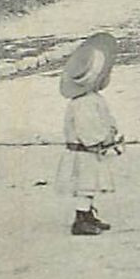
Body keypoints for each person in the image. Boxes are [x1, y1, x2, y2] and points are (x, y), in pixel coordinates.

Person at [55, 33, 124, 236]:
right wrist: (102, 139)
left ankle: (88, 215)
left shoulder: (91, 98)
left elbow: (103, 117)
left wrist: (112, 129)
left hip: (89, 151)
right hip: (84, 152)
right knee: (85, 185)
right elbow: (88, 128)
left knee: (91, 185)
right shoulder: (83, 104)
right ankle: (80, 219)